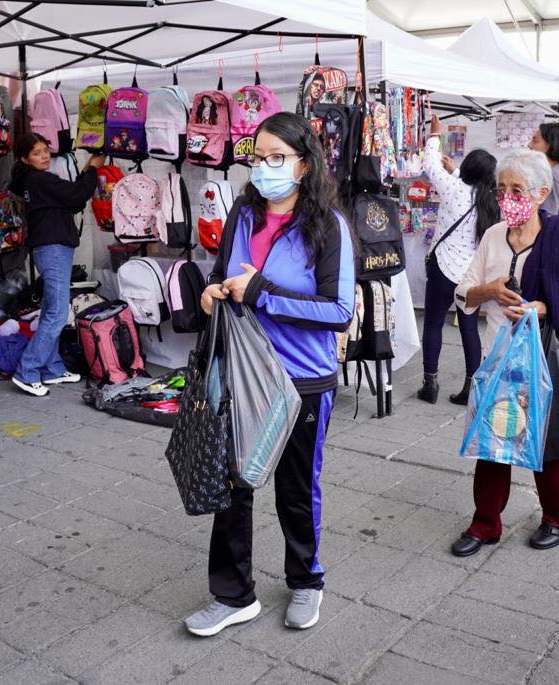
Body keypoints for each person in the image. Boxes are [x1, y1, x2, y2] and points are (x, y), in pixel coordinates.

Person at [185, 112, 354, 637]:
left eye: (277, 158)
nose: (265, 168)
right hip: (241, 372)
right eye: (258, 157)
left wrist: (261, 293)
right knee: (231, 484)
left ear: (304, 164)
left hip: (301, 379)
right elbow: (220, 275)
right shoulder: (243, 212)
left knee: (296, 488)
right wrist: (213, 293)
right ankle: (233, 594)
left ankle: (306, 582)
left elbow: (338, 311)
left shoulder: (328, 226)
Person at [451, 148, 559, 557]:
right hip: (497, 361)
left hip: (542, 360)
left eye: (517, 189)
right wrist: (490, 291)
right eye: (501, 190)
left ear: (541, 192)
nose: (507, 198)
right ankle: (486, 524)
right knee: (492, 445)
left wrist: (546, 307)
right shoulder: (493, 236)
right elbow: (463, 291)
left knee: (548, 446)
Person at [8, 133, 104, 396]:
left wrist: (86, 172)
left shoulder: (31, 182)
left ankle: (52, 369)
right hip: (53, 249)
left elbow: (68, 201)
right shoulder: (39, 179)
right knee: (58, 313)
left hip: (49, 248)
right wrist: (94, 169)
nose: (44, 156)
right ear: (25, 158)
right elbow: (75, 196)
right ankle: (27, 371)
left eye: (45, 150)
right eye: (37, 152)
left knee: (51, 308)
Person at [417, 115, 500, 406]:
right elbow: (465, 193)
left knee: (433, 324)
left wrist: (434, 134)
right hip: (471, 274)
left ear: (467, 168)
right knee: (468, 328)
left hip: (442, 267)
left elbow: (429, 163)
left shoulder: (453, 190)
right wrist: (452, 173)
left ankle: (430, 383)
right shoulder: (490, 202)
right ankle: (471, 386)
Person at [529, 123, 559, 217]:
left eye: (535, 141)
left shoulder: (553, 176)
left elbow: (546, 217)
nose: (529, 145)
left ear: (551, 145)